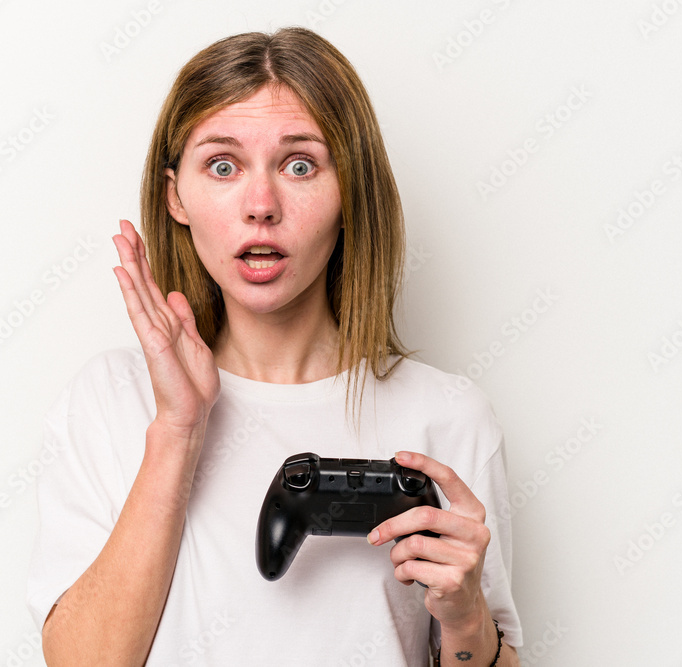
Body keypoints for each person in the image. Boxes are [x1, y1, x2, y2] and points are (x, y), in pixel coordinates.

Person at [27, 27, 522, 666]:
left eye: (299, 165)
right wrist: (179, 428)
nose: (261, 205)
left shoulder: (449, 416)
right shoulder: (109, 402)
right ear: (176, 195)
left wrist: (464, 622)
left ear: (352, 192)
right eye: (223, 166)